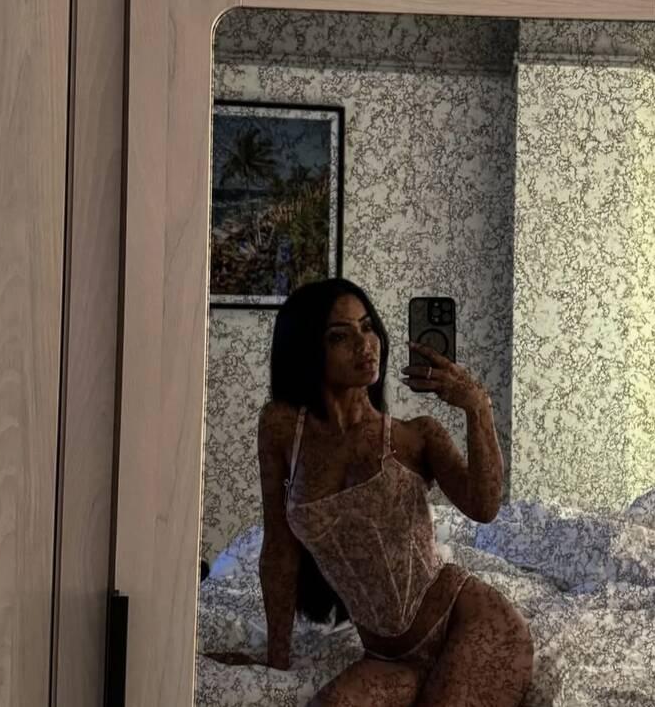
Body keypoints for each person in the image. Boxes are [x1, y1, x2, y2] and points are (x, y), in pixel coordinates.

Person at [208, 278, 533, 706]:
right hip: (388, 658)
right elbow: (280, 549)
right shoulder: (283, 427)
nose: (365, 345)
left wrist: (477, 406)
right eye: (339, 336)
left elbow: (485, 506)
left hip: (470, 623)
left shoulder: (416, 437)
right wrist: (276, 660)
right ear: (308, 349)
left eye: (367, 327)